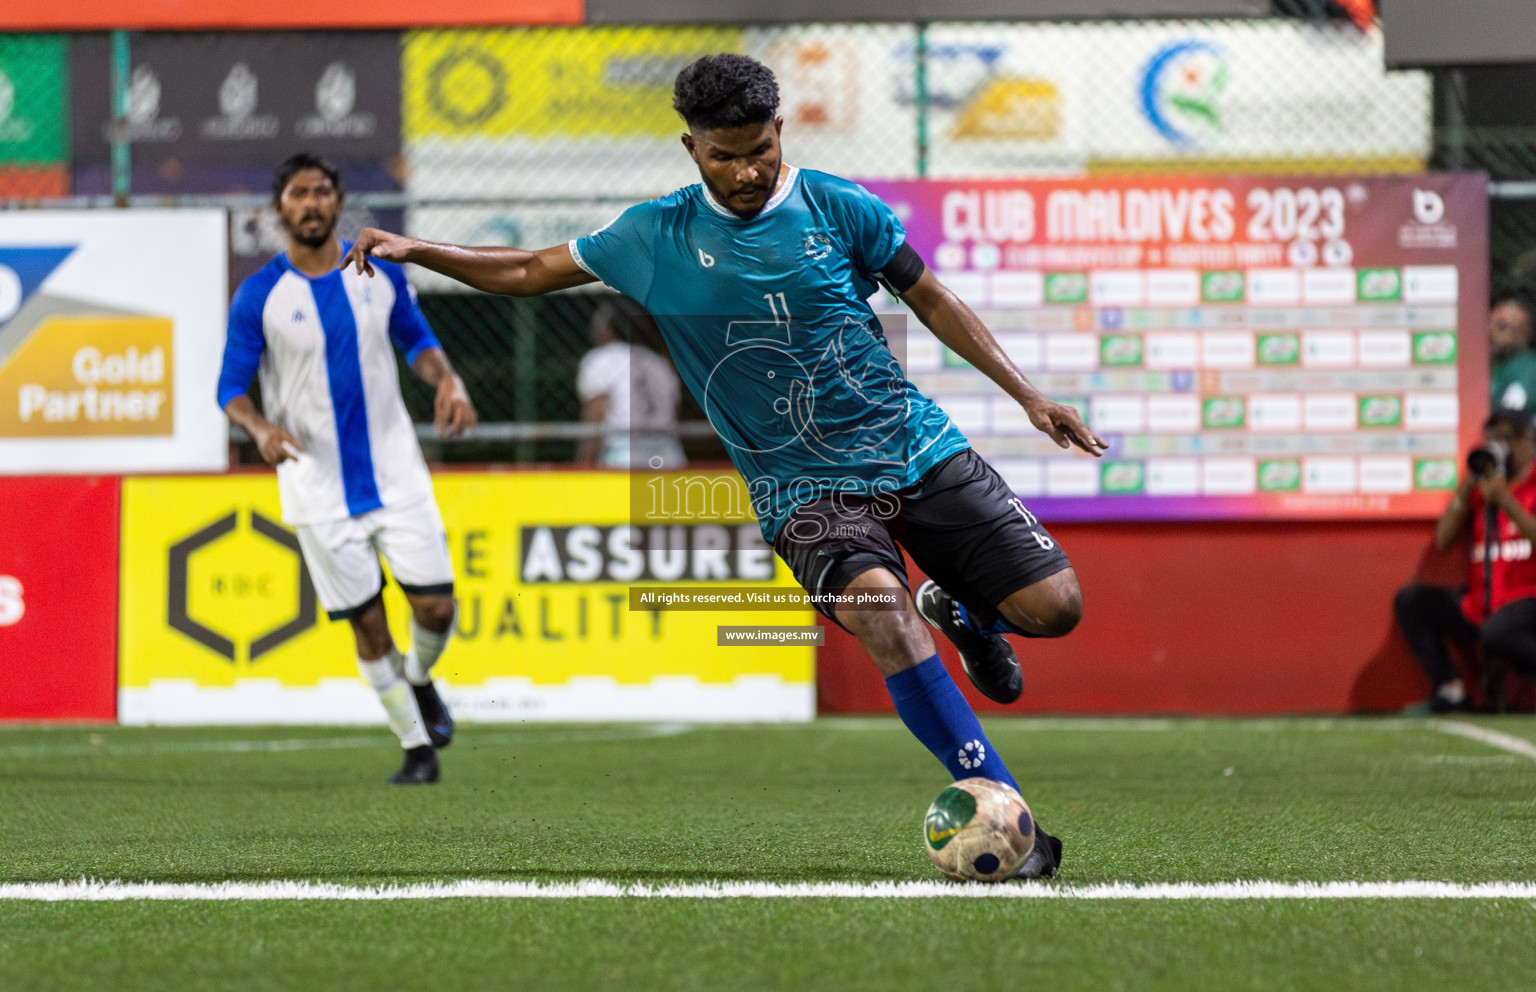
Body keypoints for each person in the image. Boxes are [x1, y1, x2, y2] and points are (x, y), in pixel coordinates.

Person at [343, 55, 1106, 875]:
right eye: (723, 155)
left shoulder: (839, 206)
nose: (745, 171)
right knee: (884, 618)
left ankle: (968, 613)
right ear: (690, 148)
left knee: (1056, 608)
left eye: (759, 150)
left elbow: (929, 297)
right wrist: (420, 249)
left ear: (780, 132)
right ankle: (1005, 810)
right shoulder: (653, 236)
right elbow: (530, 271)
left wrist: (1027, 394)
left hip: (913, 446)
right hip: (800, 489)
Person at [218, 152, 477, 784]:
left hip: (395, 472)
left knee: (437, 610)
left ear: (338, 203)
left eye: (323, 192)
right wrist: (259, 428)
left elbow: (418, 343)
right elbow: (230, 387)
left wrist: (450, 380)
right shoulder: (259, 295)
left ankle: (419, 680)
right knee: (366, 622)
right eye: (299, 194)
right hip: (316, 484)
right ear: (280, 208)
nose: (312, 203)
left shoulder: (378, 274)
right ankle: (416, 749)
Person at [1394, 409, 1536, 713]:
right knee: (1413, 600)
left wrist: (1507, 502)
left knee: (1498, 632)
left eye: (1508, 437)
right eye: (1493, 437)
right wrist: (1468, 485)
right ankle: (1451, 689)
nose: (1501, 445)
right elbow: (1444, 539)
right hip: (1481, 603)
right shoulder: (1482, 487)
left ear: (1528, 441)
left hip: (1527, 601)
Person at [576, 304, 687, 469]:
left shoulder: (600, 359)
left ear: (609, 329)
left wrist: (582, 466)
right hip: (669, 457)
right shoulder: (658, 362)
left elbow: (596, 414)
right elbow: (674, 413)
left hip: (623, 458)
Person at [1491, 288, 1536, 411]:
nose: (1492, 332)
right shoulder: (1493, 364)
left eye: (1503, 327)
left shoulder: (1528, 366)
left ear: (1525, 333)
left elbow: (1508, 423)